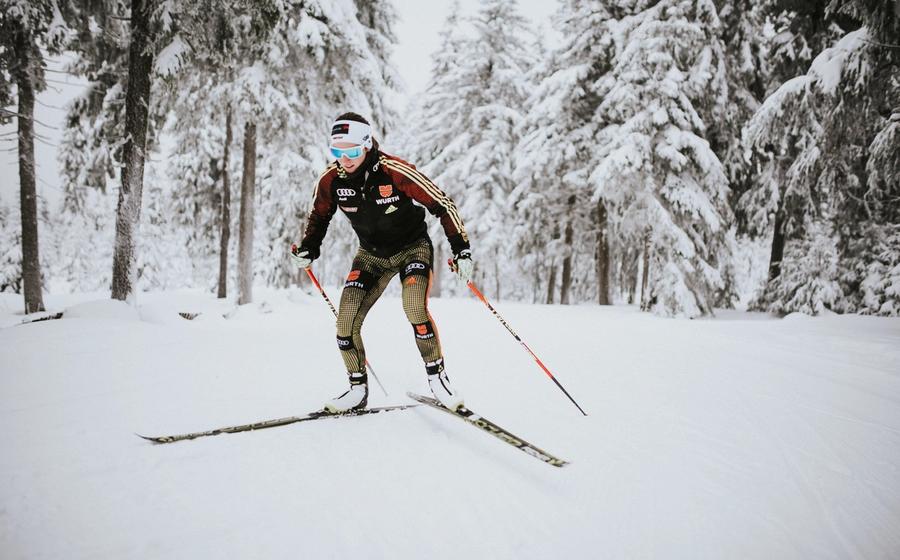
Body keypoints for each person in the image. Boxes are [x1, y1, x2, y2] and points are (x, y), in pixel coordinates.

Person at [291, 113, 474, 413]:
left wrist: (461, 249)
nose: (344, 159)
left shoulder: (394, 171)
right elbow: (319, 215)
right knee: (345, 322)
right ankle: (356, 389)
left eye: (351, 151)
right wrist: (309, 248)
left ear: (366, 144)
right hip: (371, 256)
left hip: (412, 248)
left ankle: (438, 379)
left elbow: (442, 204)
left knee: (413, 305)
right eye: (337, 151)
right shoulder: (331, 180)